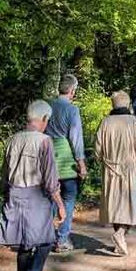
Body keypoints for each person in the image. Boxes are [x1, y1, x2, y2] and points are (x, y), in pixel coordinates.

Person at [0, 100, 64, 271]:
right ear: (44, 119)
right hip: (36, 196)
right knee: (46, 241)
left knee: (24, 245)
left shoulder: (12, 139)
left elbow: (4, 173)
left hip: (14, 195)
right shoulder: (44, 141)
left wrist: (5, 194)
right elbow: (50, 180)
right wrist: (60, 204)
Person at [94, 91, 136, 256]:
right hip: (130, 169)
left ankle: (120, 239)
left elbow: (98, 148)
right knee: (130, 205)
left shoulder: (105, 122)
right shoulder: (134, 122)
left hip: (110, 170)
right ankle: (121, 234)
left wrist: (100, 159)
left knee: (114, 205)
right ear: (128, 104)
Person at [46, 75, 87, 255]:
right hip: (66, 159)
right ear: (72, 90)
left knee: (50, 198)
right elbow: (76, 138)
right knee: (68, 198)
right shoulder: (72, 109)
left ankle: (44, 237)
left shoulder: (48, 106)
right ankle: (62, 239)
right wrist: (81, 164)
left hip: (48, 157)